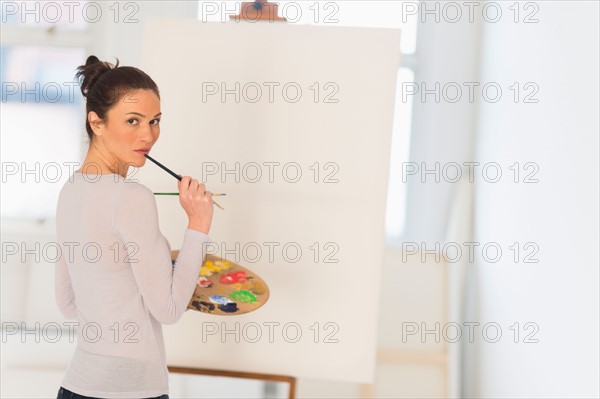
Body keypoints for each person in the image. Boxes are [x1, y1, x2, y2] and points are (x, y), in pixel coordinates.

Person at [54, 55, 214, 399]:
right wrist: (198, 225)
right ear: (96, 122)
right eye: (133, 120)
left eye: (155, 121)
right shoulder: (131, 197)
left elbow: (67, 303)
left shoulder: (70, 191)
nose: (148, 135)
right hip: (132, 390)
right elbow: (168, 310)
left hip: (76, 384)